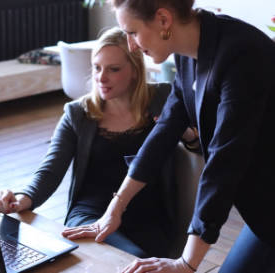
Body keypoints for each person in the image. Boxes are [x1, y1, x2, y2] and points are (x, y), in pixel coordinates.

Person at [65, 1, 275, 273]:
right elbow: (164, 130)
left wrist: (186, 264)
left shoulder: (241, 54)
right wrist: (115, 209)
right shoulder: (190, 54)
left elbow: (224, 164)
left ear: (163, 19)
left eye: (133, 32)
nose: (131, 46)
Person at [0, 26, 198, 258]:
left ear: (135, 71)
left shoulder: (163, 97)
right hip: (91, 214)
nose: (101, 77)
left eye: (113, 69)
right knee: (123, 259)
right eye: (97, 68)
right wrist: (21, 199)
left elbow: (200, 147)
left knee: (135, 258)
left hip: (148, 217)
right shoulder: (78, 113)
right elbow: (50, 170)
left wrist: (186, 133)